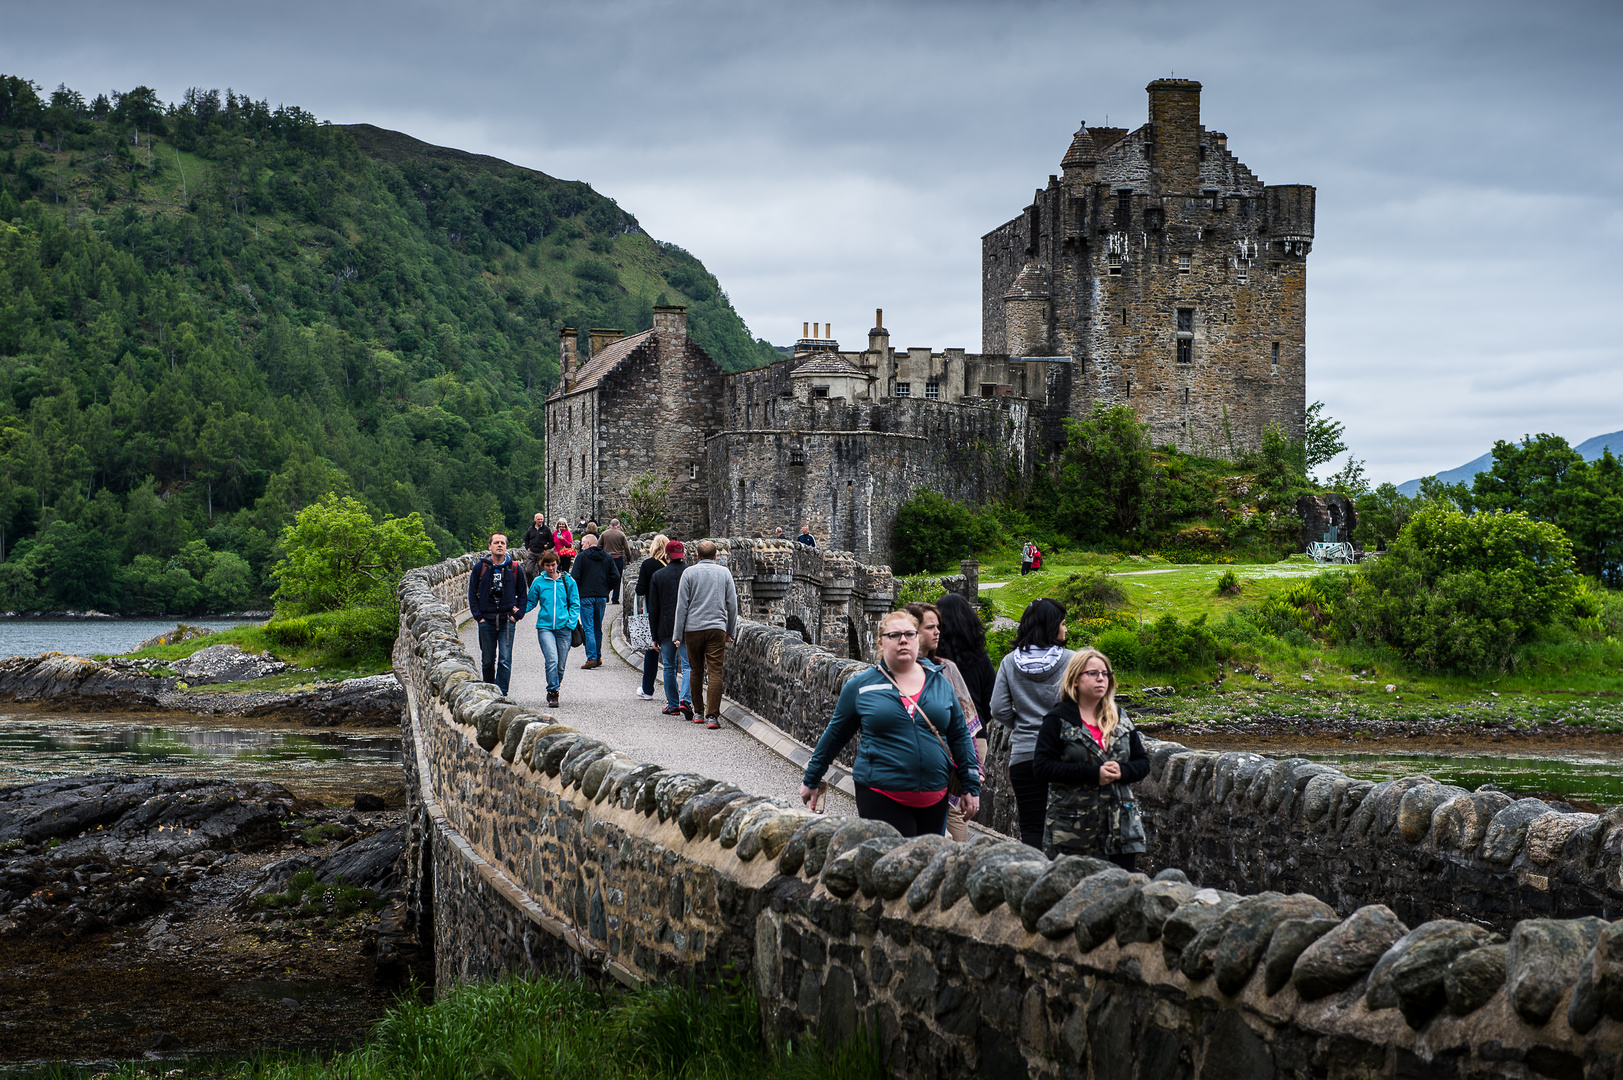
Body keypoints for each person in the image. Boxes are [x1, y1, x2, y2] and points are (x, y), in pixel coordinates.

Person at [800, 610, 980, 837]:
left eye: (909, 634)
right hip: (881, 794)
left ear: (918, 639)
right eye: (894, 635)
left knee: (927, 866)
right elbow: (835, 735)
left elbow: (960, 735)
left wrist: (971, 786)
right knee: (897, 863)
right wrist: (812, 778)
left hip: (935, 797)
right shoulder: (861, 686)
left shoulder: (940, 682)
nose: (903, 640)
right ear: (881, 642)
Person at [1031, 649, 1148, 870]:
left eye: (1105, 673)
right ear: (1075, 679)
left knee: (1121, 897)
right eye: (1093, 673)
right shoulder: (1057, 720)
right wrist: (1094, 774)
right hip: (1073, 832)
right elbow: (1042, 767)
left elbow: (1143, 762)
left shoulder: (1120, 717)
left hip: (1121, 831)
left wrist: (1123, 771)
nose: (1101, 678)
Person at [990, 598, 1074, 850]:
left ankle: (1034, 881)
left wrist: (1021, 723)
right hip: (1064, 754)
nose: (1066, 629)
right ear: (1052, 627)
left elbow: (998, 709)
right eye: (1063, 624)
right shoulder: (1072, 661)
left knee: (1031, 827)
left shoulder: (1008, 662)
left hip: (1025, 754)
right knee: (1067, 827)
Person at [906, 602, 986, 842]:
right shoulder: (889, 673)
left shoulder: (946, 669)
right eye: (930, 627)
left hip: (944, 768)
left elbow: (966, 730)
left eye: (938, 626)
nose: (937, 632)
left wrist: (972, 773)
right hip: (903, 776)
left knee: (954, 838)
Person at [671, 539, 738, 729]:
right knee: (715, 671)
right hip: (716, 628)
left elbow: (681, 606)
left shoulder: (689, 573)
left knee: (695, 670)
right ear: (715, 556)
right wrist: (730, 630)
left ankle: (699, 712)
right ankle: (713, 717)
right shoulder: (724, 573)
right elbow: (732, 605)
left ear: (697, 556)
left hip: (693, 629)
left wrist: (677, 634)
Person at [467, 533, 527, 694]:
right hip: (487, 620)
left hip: (507, 620)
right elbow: (472, 593)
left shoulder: (515, 568)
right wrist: (478, 617)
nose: (499, 545)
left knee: (504, 660)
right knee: (487, 661)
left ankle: (501, 693)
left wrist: (517, 615)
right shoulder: (480, 567)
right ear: (490, 546)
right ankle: (489, 690)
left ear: (506, 546)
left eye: (502, 543)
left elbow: (523, 594)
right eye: (496, 542)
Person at [522, 550, 579, 709]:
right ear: (542, 565)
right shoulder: (538, 582)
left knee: (560, 665)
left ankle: (555, 684)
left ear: (557, 563)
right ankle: (553, 692)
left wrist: (570, 622)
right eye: (547, 565)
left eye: (553, 565)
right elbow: (531, 602)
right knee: (552, 660)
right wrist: (518, 611)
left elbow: (575, 603)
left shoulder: (568, 581)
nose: (551, 568)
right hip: (545, 627)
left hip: (564, 628)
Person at [646, 540, 693, 720]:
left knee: (669, 666)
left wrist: (654, 635)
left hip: (665, 626)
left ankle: (672, 705)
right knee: (688, 665)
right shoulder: (690, 573)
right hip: (687, 626)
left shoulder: (658, 575)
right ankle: (685, 700)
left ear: (666, 556)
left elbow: (654, 608)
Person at [933, 593, 995, 729]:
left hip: (939, 731)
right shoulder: (981, 658)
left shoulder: (931, 660)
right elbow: (992, 702)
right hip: (974, 729)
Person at [569, 533, 620, 669]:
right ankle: (597, 656)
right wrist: (607, 589)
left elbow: (574, 578)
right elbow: (615, 576)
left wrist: (576, 593)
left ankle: (591, 657)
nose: (581, 546)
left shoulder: (581, 557)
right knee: (597, 627)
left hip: (586, 596)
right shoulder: (607, 557)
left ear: (589, 543)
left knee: (588, 627)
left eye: (583, 544)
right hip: (601, 597)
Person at [632, 534, 670, 700]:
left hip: (653, 611)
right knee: (672, 653)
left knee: (651, 650)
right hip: (671, 611)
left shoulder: (648, 564)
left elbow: (640, 590)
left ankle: (647, 690)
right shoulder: (673, 565)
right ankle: (675, 695)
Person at [600, 519, 630, 605]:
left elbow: (598, 545)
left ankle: (606, 596)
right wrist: (628, 559)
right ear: (618, 526)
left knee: (606, 577)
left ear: (610, 525)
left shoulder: (604, 534)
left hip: (606, 558)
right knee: (617, 577)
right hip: (617, 558)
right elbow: (627, 548)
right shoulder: (621, 534)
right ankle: (615, 598)